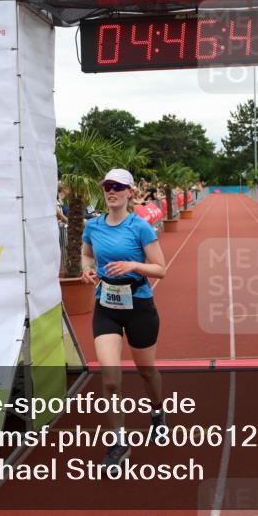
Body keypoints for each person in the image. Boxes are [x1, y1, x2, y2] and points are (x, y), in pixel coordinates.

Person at [81, 168, 167, 471]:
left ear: (130, 192)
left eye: (118, 187)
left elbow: (161, 269)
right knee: (111, 379)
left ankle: (157, 413)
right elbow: (87, 256)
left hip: (139, 306)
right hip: (106, 306)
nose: (111, 191)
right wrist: (88, 269)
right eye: (107, 186)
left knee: (147, 372)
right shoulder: (92, 226)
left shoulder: (140, 227)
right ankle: (118, 441)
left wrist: (133, 264)